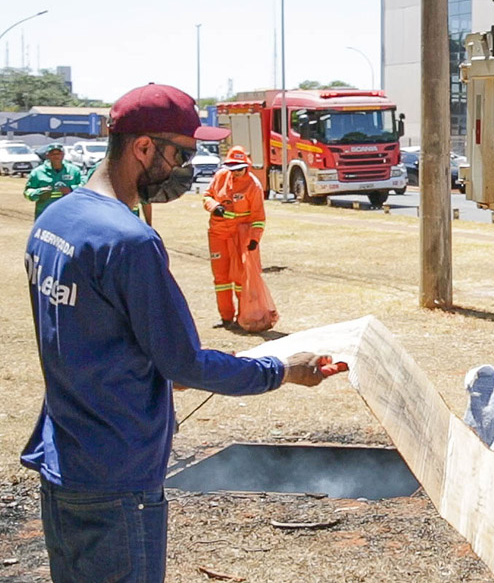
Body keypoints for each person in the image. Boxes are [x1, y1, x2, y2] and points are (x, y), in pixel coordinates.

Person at [22, 83, 339, 583]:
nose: (186, 170)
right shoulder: (130, 241)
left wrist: (153, 366)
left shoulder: (56, 220)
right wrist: (282, 370)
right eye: (181, 154)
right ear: (143, 147)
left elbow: (86, 331)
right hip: (118, 474)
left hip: (65, 459)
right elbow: (184, 362)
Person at [204, 145, 267, 327]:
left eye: (239, 169)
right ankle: (225, 317)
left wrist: (254, 239)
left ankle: (242, 317)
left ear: (246, 166)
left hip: (240, 237)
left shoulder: (253, 186)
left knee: (240, 279)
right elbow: (207, 196)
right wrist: (215, 207)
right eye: (232, 168)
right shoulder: (220, 177)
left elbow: (258, 218)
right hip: (218, 234)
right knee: (221, 278)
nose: (235, 173)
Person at [24, 142, 83, 219]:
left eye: (59, 153)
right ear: (47, 156)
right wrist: (39, 192)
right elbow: (27, 193)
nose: (56, 156)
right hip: (45, 214)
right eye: (53, 154)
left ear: (63, 155)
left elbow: (85, 188)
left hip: (69, 214)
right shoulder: (38, 172)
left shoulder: (74, 171)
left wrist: (71, 189)